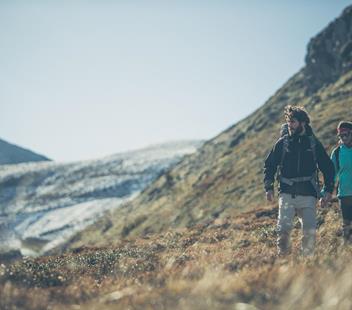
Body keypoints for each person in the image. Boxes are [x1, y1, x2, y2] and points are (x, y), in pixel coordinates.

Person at [264, 105, 335, 256]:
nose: (289, 125)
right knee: (283, 231)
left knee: (309, 233)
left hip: (308, 194)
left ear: (303, 123)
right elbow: (269, 164)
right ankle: (284, 262)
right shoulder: (282, 143)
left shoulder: (313, 143)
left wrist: (328, 190)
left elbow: (328, 167)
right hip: (287, 193)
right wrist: (268, 187)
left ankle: (306, 265)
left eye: (293, 121)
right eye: (288, 121)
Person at [331, 121, 352, 245]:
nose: (343, 138)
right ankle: (348, 256)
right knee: (347, 227)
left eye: (346, 135)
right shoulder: (337, 152)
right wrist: (325, 193)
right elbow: (331, 175)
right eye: (341, 136)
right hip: (344, 196)